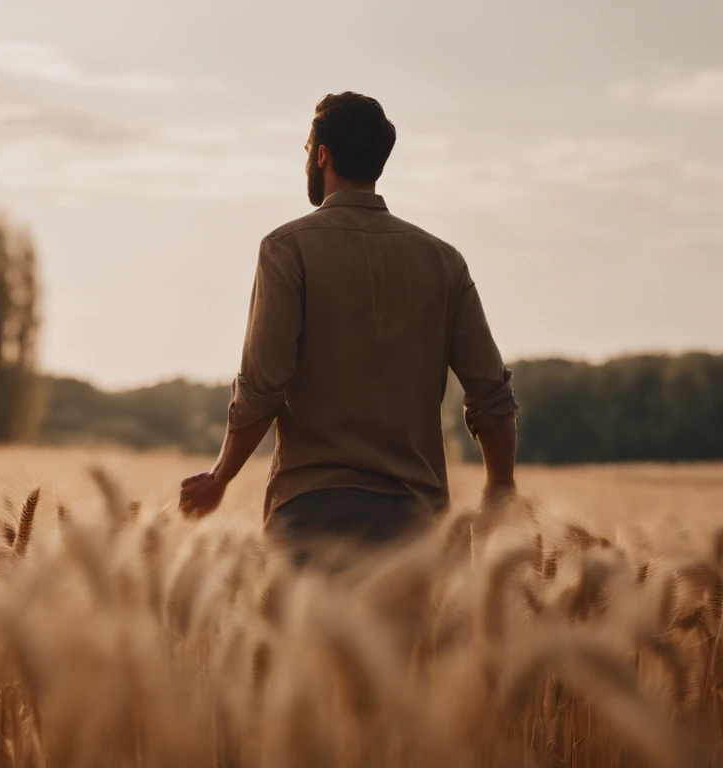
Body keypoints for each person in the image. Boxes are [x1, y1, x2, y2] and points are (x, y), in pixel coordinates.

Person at [178, 92, 518, 565]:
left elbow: (262, 385)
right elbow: (491, 393)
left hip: (311, 520)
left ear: (322, 155)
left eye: (306, 151)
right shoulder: (443, 261)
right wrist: (499, 490)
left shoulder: (286, 248)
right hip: (419, 529)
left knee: (306, 642)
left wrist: (220, 476)